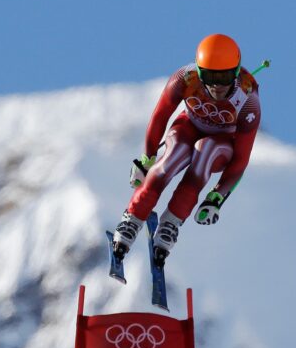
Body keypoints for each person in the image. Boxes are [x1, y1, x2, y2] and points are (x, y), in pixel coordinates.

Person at [112, 33, 261, 268]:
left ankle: (171, 222)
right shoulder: (185, 78)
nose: (217, 85)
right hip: (188, 127)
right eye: (210, 76)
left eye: (224, 77)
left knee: (206, 150)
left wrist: (217, 196)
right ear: (200, 71)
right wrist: (147, 159)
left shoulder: (248, 99)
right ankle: (132, 218)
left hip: (221, 143)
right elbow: (160, 115)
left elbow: (241, 159)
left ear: (236, 72)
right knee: (174, 156)